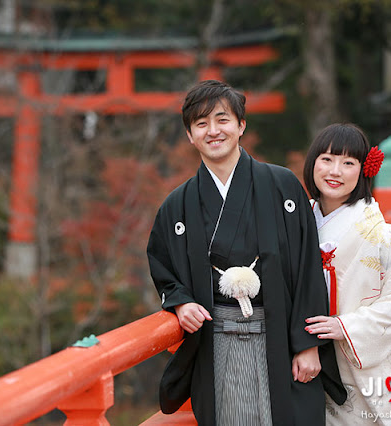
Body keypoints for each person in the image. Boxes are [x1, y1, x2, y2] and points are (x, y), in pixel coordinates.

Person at [146, 80, 345, 426]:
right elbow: (163, 268)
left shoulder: (283, 186)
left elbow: (307, 267)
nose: (213, 131)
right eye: (201, 124)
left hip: (282, 336)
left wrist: (308, 343)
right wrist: (180, 302)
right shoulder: (176, 206)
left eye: (222, 120)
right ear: (190, 135)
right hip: (217, 339)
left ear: (241, 126)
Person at [303, 123, 391, 425]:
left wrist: (347, 327)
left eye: (348, 163)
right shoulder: (296, 222)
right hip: (307, 356)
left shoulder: (384, 236)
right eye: (327, 159)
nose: (335, 171)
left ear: (363, 170)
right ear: (313, 163)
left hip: (360, 358)